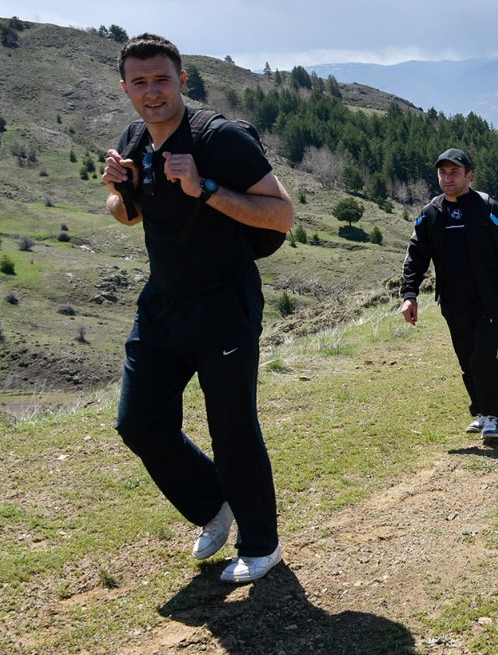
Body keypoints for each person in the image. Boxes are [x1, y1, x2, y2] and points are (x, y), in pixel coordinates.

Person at [102, 33, 295, 584]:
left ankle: (261, 546)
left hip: (223, 304)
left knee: (231, 428)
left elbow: (281, 215)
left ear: (182, 81)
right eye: (140, 82)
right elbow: (126, 215)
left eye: (162, 79)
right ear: (125, 88)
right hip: (162, 303)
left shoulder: (219, 139)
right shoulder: (135, 139)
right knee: (138, 422)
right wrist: (120, 188)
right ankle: (213, 503)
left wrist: (203, 187)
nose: (152, 92)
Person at [399, 149, 498, 440]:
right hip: (453, 302)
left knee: (484, 358)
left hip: (489, 299)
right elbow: (415, 257)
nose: (448, 178)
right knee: (466, 360)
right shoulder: (430, 213)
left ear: (469, 176)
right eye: (443, 173)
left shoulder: (489, 208)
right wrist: (409, 294)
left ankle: (493, 415)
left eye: (454, 172)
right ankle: (479, 412)